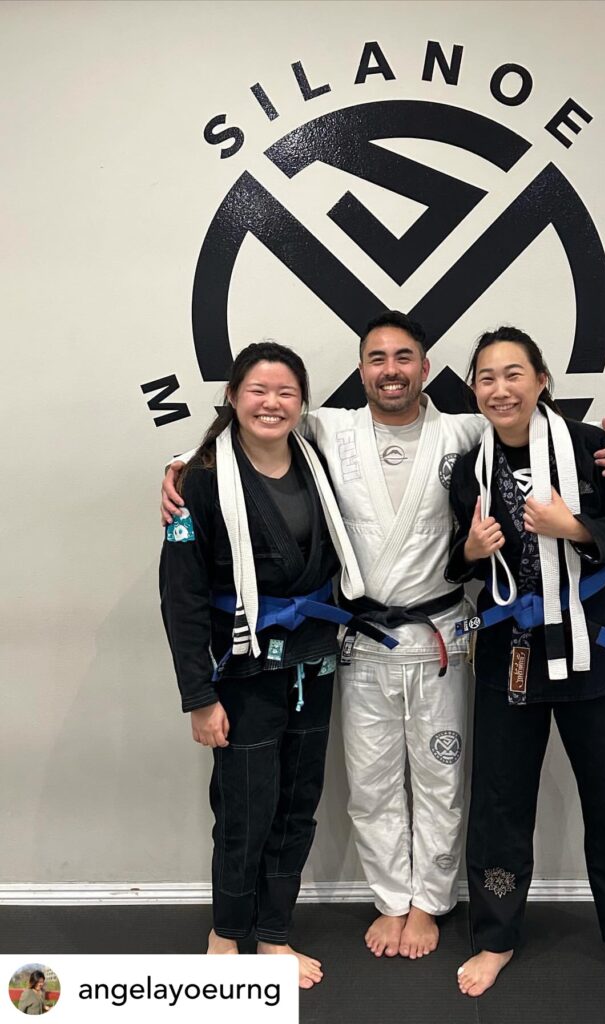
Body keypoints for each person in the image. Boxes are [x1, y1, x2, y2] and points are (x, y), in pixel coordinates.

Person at [161, 312, 605, 961]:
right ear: (360, 369)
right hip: (361, 641)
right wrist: (182, 463)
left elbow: (540, 427)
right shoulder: (325, 427)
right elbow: (250, 435)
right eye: (377, 358)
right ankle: (392, 898)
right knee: (372, 781)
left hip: (442, 631)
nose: (391, 369)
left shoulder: (468, 431)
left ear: (426, 367)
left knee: (442, 774)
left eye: (405, 357)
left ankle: (429, 902)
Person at [445, 326, 605, 998]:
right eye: (486, 378)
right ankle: (494, 937)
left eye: (513, 373)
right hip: (506, 659)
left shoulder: (597, 448)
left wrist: (573, 527)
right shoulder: (469, 470)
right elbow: (450, 564)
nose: (501, 388)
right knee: (498, 804)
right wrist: (468, 550)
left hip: (591, 655)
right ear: (474, 391)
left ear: (541, 379)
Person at [160, 341, 385, 986]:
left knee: (297, 803)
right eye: (257, 390)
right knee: (244, 807)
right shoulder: (199, 483)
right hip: (244, 670)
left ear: (302, 403)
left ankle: (275, 933)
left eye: (286, 391)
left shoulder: (315, 463)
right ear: (231, 397)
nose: (272, 402)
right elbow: (182, 597)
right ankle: (227, 931)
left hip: (312, 661)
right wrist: (199, 697)